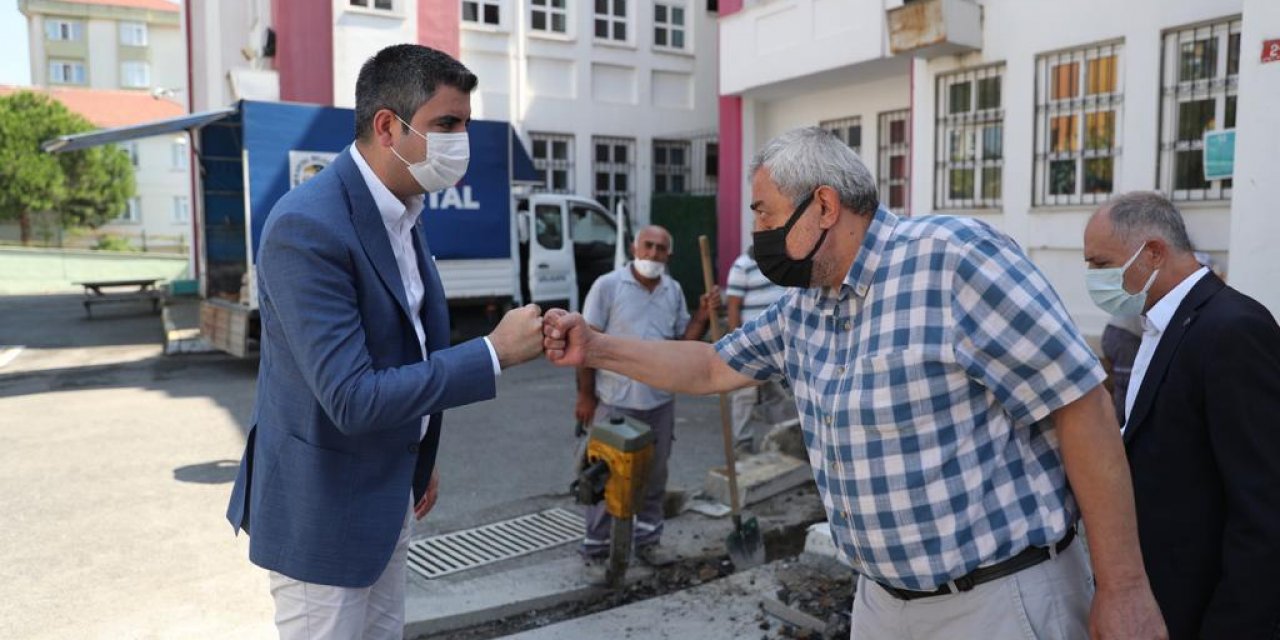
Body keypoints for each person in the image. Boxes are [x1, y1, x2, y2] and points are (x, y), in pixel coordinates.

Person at [544, 127, 1166, 639]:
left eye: (763, 213)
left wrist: (1124, 588)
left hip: (998, 601)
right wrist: (595, 346)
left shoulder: (951, 257)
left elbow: (1079, 406)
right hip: (879, 602)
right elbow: (709, 366)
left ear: (822, 205)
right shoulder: (807, 304)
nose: (757, 234)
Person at [225, 45, 545, 639]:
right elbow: (350, 397)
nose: (460, 141)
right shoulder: (309, 226)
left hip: (386, 492)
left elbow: (404, 345)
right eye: (446, 124)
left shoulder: (405, 210)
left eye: (465, 125)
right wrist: (493, 352)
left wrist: (416, 448)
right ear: (386, 126)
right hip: (321, 514)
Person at [1083, 191, 1280, 639]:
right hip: (1164, 603)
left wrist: (1234, 626)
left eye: (1100, 264)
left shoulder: (1233, 328)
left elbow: (1264, 505)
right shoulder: (1162, 325)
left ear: (1153, 252)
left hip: (1210, 612)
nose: (1093, 279)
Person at [574, 225, 717, 576]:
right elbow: (585, 346)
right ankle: (597, 545)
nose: (653, 254)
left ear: (669, 255)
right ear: (634, 247)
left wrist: (701, 316)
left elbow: (682, 344)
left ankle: (648, 540)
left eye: (661, 249)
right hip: (616, 401)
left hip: (658, 401)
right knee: (604, 475)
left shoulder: (673, 290)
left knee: (654, 475)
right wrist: (585, 394)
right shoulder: (607, 287)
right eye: (648, 246)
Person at [724, 246, 795, 452]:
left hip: (779, 345)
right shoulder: (742, 266)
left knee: (778, 395)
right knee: (745, 394)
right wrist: (736, 344)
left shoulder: (783, 261)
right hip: (751, 345)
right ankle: (742, 443)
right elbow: (733, 306)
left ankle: (778, 441)